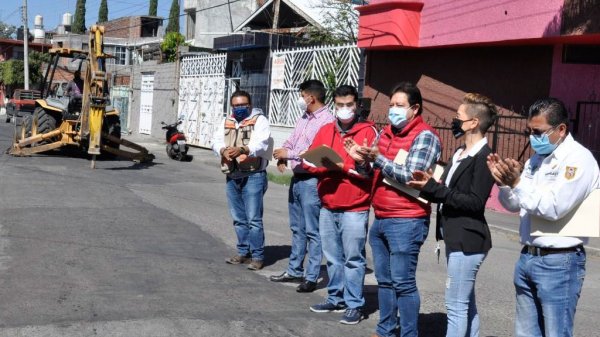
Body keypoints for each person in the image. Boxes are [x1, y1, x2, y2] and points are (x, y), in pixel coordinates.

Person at [487, 98, 600, 337]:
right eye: (529, 131)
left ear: (561, 129)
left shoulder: (578, 159)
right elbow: (516, 204)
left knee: (556, 332)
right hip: (528, 256)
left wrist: (517, 182)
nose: (532, 137)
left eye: (538, 132)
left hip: (560, 262)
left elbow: (553, 208)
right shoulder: (535, 160)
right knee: (526, 333)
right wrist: (505, 184)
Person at [346, 82, 441, 337]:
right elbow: (375, 170)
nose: (393, 110)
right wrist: (363, 160)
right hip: (382, 216)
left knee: (403, 283)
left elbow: (411, 175)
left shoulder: (425, 136)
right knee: (385, 282)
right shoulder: (386, 132)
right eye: (391, 105)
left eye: (399, 106)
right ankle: (385, 329)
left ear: (415, 108)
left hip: (407, 220)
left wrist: (376, 158)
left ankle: (409, 333)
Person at [408, 93, 497, 337]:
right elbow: (447, 191)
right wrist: (428, 185)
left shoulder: (483, 157)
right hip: (454, 235)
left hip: (468, 239)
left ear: (473, 123)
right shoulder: (459, 153)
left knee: (456, 306)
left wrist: (435, 189)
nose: (454, 121)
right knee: (466, 304)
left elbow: (475, 202)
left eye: (459, 117)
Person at [300, 85, 377, 324]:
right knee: (332, 257)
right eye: (340, 105)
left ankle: (354, 304)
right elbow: (309, 163)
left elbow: (368, 172)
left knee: (353, 258)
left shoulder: (369, 132)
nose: (344, 109)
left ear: (357, 105)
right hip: (328, 204)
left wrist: (342, 167)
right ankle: (335, 297)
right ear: (334, 104)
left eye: (349, 105)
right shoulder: (325, 130)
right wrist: (332, 167)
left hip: (355, 206)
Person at [270, 79, 335, 293]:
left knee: (312, 231)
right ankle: (294, 269)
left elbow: (317, 151)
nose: (300, 99)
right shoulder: (304, 117)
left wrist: (289, 154)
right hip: (297, 178)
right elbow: (293, 140)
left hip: (311, 180)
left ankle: (311, 275)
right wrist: (282, 153)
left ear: (311, 97)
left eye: (301, 95)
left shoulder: (326, 121)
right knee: (297, 228)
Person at [213, 90, 272, 271]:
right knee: (238, 218)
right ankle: (243, 252)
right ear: (231, 106)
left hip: (253, 175)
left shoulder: (259, 120)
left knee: (253, 219)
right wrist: (223, 150)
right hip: (232, 175)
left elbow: (261, 144)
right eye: (236, 105)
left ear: (250, 104)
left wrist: (243, 150)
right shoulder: (226, 121)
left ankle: (257, 256)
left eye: (243, 105)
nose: (240, 108)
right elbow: (214, 140)